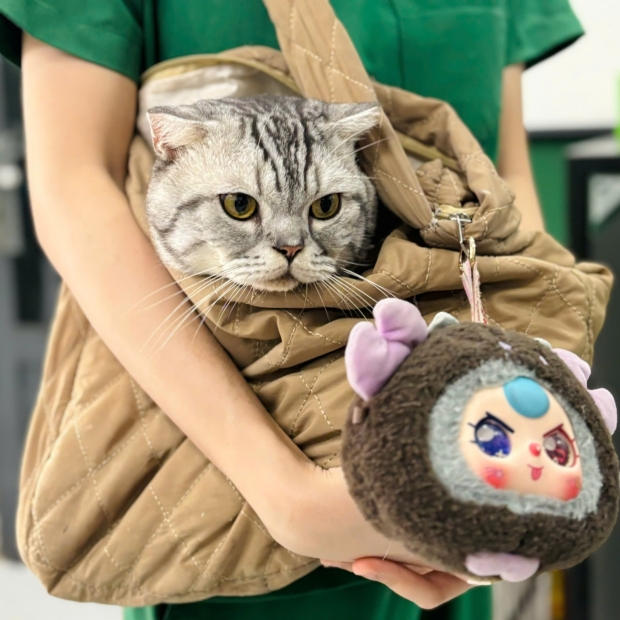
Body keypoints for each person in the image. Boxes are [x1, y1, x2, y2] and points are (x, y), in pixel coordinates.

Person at [0, 1, 583, 619]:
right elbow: (74, 181)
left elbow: (506, 182)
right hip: (225, 497)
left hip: (464, 458)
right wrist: (286, 494)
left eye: (323, 209)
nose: (288, 247)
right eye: (243, 206)